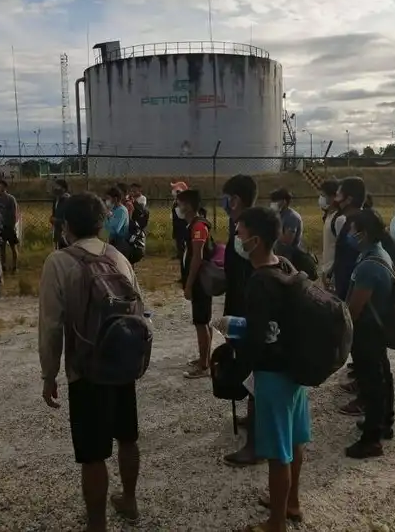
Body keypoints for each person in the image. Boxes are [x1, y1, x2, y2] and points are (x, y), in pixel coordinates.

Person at [38, 192, 143, 532]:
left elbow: (51, 325)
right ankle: (129, 500)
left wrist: (49, 374)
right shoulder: (118, 256)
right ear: (101, 224)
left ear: (66, 225)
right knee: (127, 437)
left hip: (87, 370)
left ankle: (97, 523)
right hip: (123, 363)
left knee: (93, 452)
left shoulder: (59, 262)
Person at [232, 206, 310, 532]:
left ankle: (275, 523)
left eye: (240, 232)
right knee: (293, 440)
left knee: (278, 453)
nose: (237, 237)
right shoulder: (287, 266)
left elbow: (256, 336)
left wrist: (237, 371)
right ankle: (291, 502)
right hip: (296, 368)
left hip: (273, 374)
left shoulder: (259, 282)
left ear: (256, 239)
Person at [343, 208, 395, 458]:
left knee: (371, 383)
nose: (350, 234)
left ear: (363, 233)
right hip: (378, 326)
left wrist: (342, 328)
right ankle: (384, 421)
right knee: (381, 375)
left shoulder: (368, 266)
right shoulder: (380, 254)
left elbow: (355, 307)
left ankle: (372, 438)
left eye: (353, 230)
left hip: (367, 329)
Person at [219, 173, 264, 467]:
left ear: (235, 199)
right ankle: (253, 416)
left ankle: (256, 445)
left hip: (250, 312)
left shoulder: (247, 229)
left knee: (253, 369)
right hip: (242, 308)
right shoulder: (243, 224)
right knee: (247, 368)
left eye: (226, 197)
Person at [330, 177, 367, 415]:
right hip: (345, 286)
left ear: (349, 198)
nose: (336, 198)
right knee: (356, 341)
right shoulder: (348, 220)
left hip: (357, 291)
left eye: (340, 194)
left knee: (364, 342)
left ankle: (366, 395)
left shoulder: (360, 222)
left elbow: (360, 257)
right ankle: (361, 381)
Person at [176, 189, 214, 379]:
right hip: (198, 281)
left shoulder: (198, 226)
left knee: (201, 322)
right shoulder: (192, 224)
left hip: (199, 282)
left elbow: (197, 257)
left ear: (189, 206)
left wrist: (189, 284)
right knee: (203, 321)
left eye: (180, 203)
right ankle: (204, 358)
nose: (178, 207)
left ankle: (204, 365)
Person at [317, 179, 340, 290]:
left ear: (333, 196)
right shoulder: (328, 216)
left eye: (323, 195)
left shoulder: (339, 219)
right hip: (327, 271)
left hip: (334, 274)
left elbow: (343, 250)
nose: (321, 198)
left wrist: (331, 272)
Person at [0, 179, 20, 272]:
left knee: (13, 247)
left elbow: (14, 214)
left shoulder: (10, 199)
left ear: (4, 187)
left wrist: (12, 225)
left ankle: (15, 266)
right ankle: (3, 265)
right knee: (1, 247)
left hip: (9, 226)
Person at [268, 188, 304, 255]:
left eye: (275, 201)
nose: (272, 203)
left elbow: (287, 240)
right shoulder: (277, 215)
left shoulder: (292, 217)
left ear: (284, 202)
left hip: (290, 256)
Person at [170, 181, 189, 281]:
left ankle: (186, 276)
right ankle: (184, 276)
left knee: (184, 254)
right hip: (178, 230)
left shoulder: (183, 204)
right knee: (181, 254)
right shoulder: (176, 203)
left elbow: (181, 215)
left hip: (183, 231)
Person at [50, 179, 71, 250]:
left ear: (64, 188)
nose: (55, 188)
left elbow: (69, 219)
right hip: (57, 232)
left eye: (57, 186)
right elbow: (54, 214)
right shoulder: (56, 200)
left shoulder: (68, 200)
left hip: (66, 233)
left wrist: (56, 221)